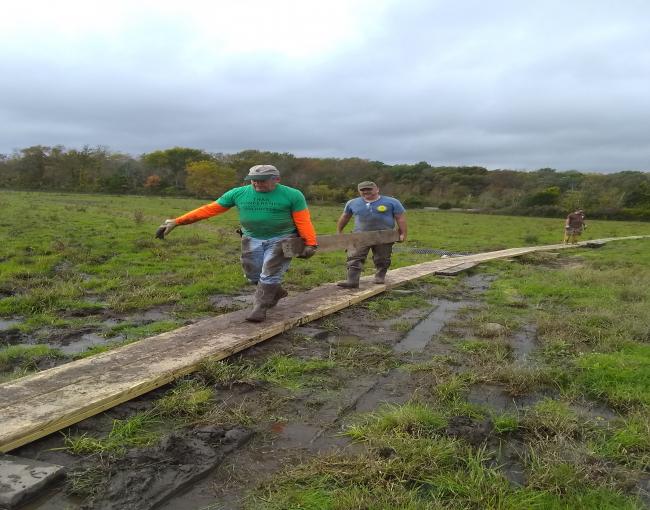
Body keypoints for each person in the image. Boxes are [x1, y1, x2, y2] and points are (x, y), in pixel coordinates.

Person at [156, 164, 318, 322]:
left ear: (276, 179)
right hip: (251, 238)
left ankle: (260, 307)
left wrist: (310, 243)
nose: (257, 183)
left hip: (283, 238)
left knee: (270, 272)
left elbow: (303, 220)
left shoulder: (293, 195)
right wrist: (177, 221)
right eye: (253, 180)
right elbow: (209, 209)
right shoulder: (238, 193)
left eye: (262, 180)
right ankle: (275, 292)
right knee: (252, 274)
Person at [336, 181, 407, 288]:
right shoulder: (352, 203)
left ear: (377, 189)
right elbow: (345, 217)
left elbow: (400, 218)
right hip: (360, 235)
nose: (366, 192)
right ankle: (352, 281)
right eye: (363, 190)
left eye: (369, 189)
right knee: (354, 257)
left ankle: (380, 276)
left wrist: (403, 233)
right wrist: (339, 232)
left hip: (384, 235)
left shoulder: (392, 202)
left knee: (382, 258)